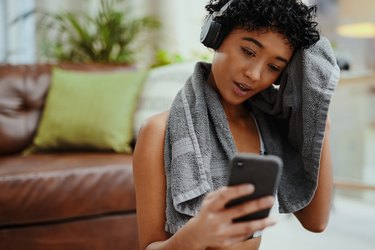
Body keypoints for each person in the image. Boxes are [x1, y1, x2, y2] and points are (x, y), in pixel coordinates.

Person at [133, 0, 336, 249]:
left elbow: (316, 222)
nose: (254, 74)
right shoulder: (158, 131)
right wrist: (196, 234)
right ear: (216, 35)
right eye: (248, 52)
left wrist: (316, 114)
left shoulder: (272, 126)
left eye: (273, 67)